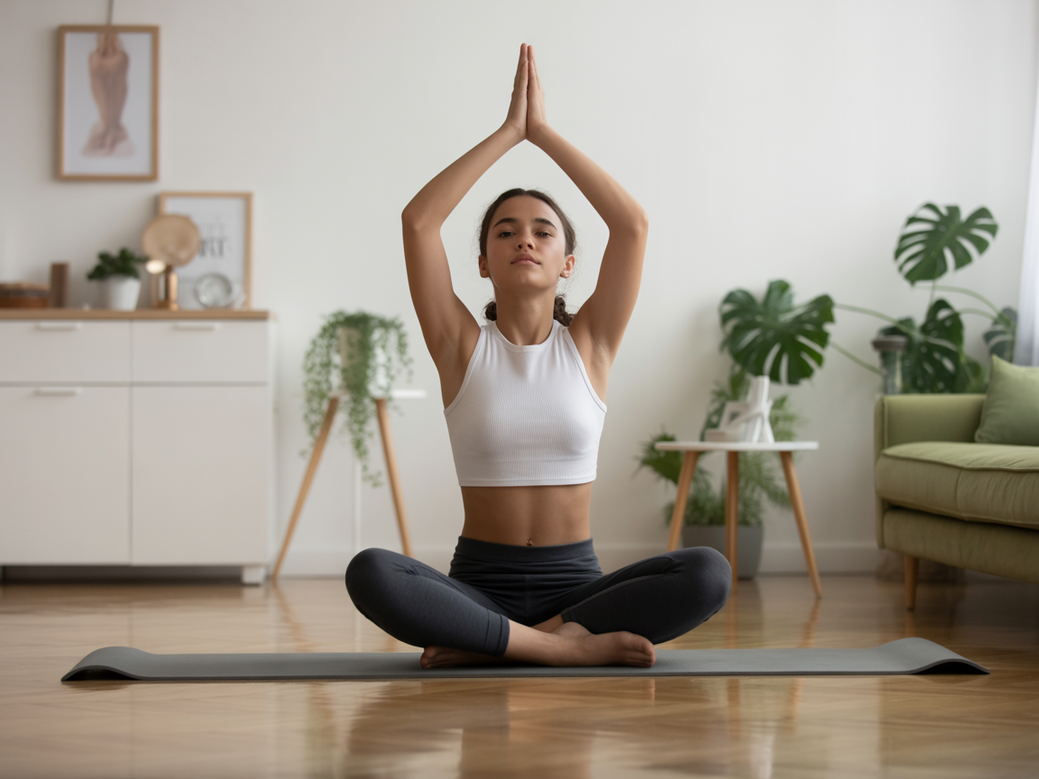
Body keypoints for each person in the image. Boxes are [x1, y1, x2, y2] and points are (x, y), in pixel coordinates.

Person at [346, 44, 730, 669]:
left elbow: (630, 224)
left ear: (567, 264)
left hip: (579, 589)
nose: (524, 237)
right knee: (371, 571)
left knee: (707, 571)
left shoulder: (591, 344)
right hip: (476, 585)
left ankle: (507, 642)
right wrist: (507, 134)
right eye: (505, 230)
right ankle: (562, 649)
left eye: (542, 231)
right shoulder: (460, 345)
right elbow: (419, 222)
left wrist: (543, 134)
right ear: (482, 264)